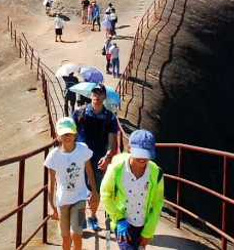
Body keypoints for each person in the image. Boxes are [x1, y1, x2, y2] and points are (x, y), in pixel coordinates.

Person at [101, 129, 165, 250]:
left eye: (146, 154)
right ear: (129, 148)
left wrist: (148, 232)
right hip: (122, 221)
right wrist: (119, 219)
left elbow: (157, 203)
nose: (142, 158)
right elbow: (105, 194)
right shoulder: (116, 169)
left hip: (143, 224)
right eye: (139, 153)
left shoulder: (156, 173)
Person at [45, 117, 99, 250]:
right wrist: (51, 205)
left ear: (75, 134)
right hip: (62, 201)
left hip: (80, 198)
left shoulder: (82, 149)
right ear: (58, 136)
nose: (67, 136)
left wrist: (94, 191)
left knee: (77, 234)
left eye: (69, 133)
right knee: (65, 237)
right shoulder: (53, 156)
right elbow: (51, 183)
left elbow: (90, 171)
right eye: (63, 134)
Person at [72, 84, 119, 232]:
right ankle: (79, 222)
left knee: (95, 190)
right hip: (79, 157)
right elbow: (71, 134)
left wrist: (108, 156)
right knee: (77, 191)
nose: (97, 96)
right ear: (90, 94)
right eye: (94, 93)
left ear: (105, 97)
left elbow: (112, 141)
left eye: (100, 93)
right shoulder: (79, 113)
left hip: (98, 158)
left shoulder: (110, 117)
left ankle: (92, 216)